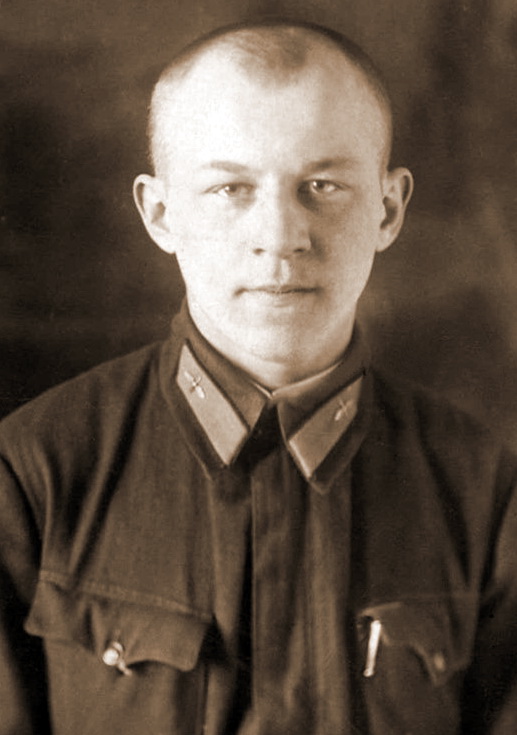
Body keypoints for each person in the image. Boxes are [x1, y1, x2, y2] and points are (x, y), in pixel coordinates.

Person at [0, 19, 516, 735]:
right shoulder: (32, 474)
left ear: (388, 209)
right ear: (160, 213)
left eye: (322, 185)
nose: (279, 236)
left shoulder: (484, 489)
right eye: (230, 188)